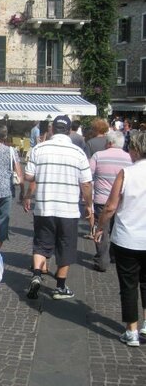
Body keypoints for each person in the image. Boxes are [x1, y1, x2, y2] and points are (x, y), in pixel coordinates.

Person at [23, 115, 93, 300]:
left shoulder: (39, 149)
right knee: (66, 245)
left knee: (41, 243)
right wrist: (89, 205)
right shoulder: (78, 153)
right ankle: (60, 287)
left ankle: (37, 275)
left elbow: (28, 176)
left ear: (52, 129)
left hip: (45, 207)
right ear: (69, 131)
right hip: (68, 209)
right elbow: (86, 184)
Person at [95, 132, 146, 347]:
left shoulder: (127, 173)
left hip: (128, 238)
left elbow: (111, 206)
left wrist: (100, 226)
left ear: (134, 150)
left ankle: (131, 330)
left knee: (129, 284)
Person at [89, 130, 132, 271]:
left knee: (102, 229)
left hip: (102, 200)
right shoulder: (129, 158)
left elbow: (88, 177)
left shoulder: (98, 156)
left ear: (109, 143)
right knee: (117, 229)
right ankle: (115, 256)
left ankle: (102, 261)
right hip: (123, 200)